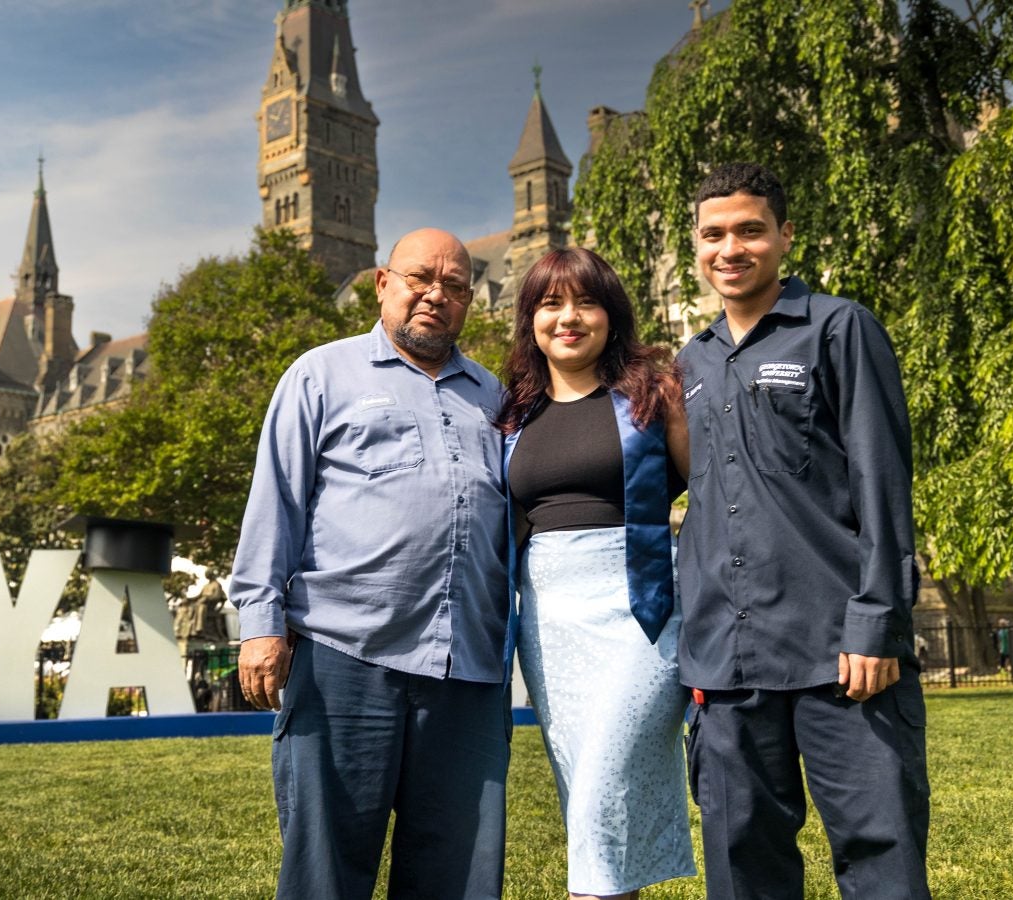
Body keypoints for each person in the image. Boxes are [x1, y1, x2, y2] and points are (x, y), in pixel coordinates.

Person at [229, 227, 510, 900]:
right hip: (343, 658)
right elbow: (277, 501)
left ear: (469, 301)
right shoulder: (321, 374)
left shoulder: (497, 400)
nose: (434, 295)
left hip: (467, 671)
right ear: (383, 284)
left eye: (453, 285)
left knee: (458, 876)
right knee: (326, 869)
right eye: (420, 278)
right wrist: (260, 624)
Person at [676, 163, 931, 899]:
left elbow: (881, 483)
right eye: (714, 234)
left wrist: (877, 622)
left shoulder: (840, 329)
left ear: (784, 236)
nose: (732, 248)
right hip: (725, 667)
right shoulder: (688, 362)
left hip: (839, 656)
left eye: (750, 230)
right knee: (741, 861)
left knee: (880, 855)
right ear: (696, 247)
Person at [497, 247, 696, 899]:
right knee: (590, 801)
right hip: (552, 631)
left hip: (640, 615)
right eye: (550, 304)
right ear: (530, 319)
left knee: (599, 799)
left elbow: (723, 496)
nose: (569, 317)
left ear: (612, 314)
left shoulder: (653, 393)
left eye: (585, 301)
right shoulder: (514, 414)